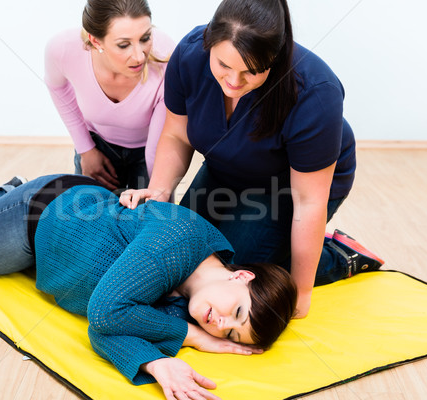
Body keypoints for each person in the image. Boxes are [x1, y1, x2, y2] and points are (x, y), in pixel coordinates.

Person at [119, 0, 384, 318]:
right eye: (223, 65)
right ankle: (284, 243)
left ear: (275, 57)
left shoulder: (316, 92)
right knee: (179, 259)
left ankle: (337, 255)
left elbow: (308, 202)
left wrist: (300, 293)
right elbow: (177, 135)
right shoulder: (189, 55)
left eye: (252, 71)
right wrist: (159, 194)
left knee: (231, 273)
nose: (233, 81)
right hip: (227, 165)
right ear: (208, 44)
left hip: (288, 187)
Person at [0, 175, 297, 400]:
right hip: (42, 210)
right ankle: (7, 193)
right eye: (236, 313)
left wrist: (155, 363)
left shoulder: (184, 302)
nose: (219, 325)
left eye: (231, 336)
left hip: (48, 254)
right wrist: (193, 337)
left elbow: (102, 329)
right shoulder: (174, 242)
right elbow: (105, 312)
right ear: (242, 276)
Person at [44, 0, 174, 191]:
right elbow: (57, 88)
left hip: (149, 150)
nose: (139, 56)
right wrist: (86, 150)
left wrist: (156, 194)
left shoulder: (168, 58)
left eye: (145, 38)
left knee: (151, 215)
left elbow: (158, 147)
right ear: (96, 41)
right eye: (124, 45)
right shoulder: (63, 49)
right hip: (97, 143)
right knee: (89, 216)